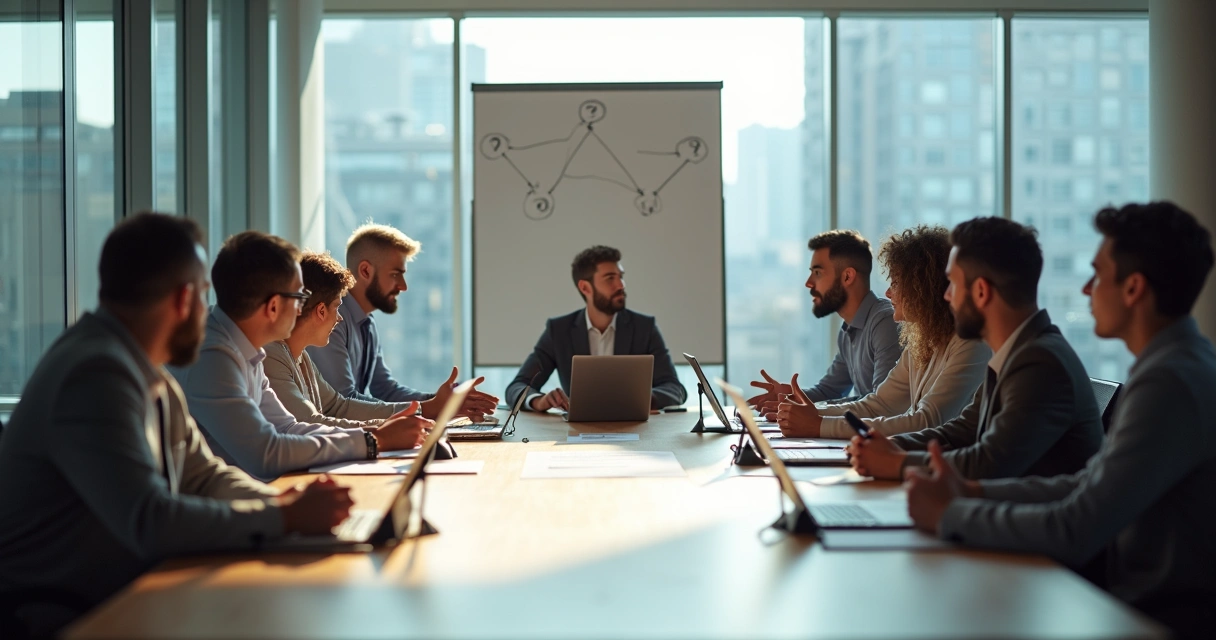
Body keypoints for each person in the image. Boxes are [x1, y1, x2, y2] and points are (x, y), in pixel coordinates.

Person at [0, 214, 352, 636]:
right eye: (206, 295)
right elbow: (151, 521)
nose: (211, 310)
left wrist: (281, 507)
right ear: (185, 299)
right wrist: (284, 520)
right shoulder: (94, 375)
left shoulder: (145, 370)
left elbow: (204, 476)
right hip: (67, 615)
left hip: (125, 591)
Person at [903, 202, 1216, 639]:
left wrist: (953, 514)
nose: (1087, 289)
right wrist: (970, 492)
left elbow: (1077, 526)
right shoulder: (1172, 366)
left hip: (1155, 617)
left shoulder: (1171, 382)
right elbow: (1087, 483)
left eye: (1098, 274)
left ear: (1133, 289)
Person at [848, 217, 1103, 481]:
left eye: (953, 284)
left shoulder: (1040, 362)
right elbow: (961, 431)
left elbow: (989, 462)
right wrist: (891, 446)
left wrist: (897, 462)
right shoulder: (1018, 352)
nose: (946, 296)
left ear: (981, 291)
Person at [171, 231, 432, 480]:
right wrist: (374, 441)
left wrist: (375, 435)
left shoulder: (248, 349)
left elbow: (289, 427)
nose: (302, 308)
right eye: (299, 296)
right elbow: (266, 452)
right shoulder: (214, 357)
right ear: (273, 306)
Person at [775, 226, 990, 439]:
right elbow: (880, 405)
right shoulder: (923, 339)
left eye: (896, 283)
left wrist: (818, 424)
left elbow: (927, 421)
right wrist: (808, 414)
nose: (888, 293)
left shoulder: (969, 344)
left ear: (923, 288)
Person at [308, 223, 497, 420]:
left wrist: (442, 401)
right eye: (395, 274)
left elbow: (385, 389)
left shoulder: (366, 323)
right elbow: (343, 402)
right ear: (365, 271)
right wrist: (429, 408)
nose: (403, 286)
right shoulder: (331, 320)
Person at [504, 245, 686, 412]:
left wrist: (646, 399)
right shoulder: (559, 331)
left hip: (635, 431)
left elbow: (675, 389)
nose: (621, 285)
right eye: (610, 279)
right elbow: (517, 387)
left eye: (621, 277)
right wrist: (538, 401)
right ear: (585, 287)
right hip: (577, 433)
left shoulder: (644, 328)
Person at [748, 230, 901, 409]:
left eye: (818, 273)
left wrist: (809, 409)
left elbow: (881, 403)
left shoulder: (886, 322)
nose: (809, 283)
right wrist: (790, 396)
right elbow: (828, 391)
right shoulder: (848, 331)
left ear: (847, 277)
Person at [265, 251, 417, 429]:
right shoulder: (271, 355)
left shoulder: (302, 357)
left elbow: (338, 406)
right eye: (337, 307)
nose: (340, 318)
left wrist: (413, 411)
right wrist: (381, 430)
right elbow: (309, 424)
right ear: (321, 311)